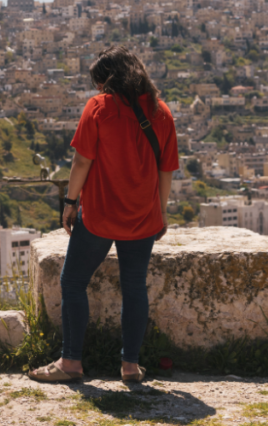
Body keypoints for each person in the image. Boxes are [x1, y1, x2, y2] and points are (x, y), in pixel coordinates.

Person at [28, 45, 178, 384]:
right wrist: (162, 211)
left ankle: (71, 363)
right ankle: (129, 366)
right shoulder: (162, 112)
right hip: (142, 216)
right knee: (134, 287)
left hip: (99, 215)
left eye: (101, 83)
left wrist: (70, 202)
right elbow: (166, 170)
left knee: (73, 281)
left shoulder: (98, 107)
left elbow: (82, 161)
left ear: (109, 80)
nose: (98, 90)